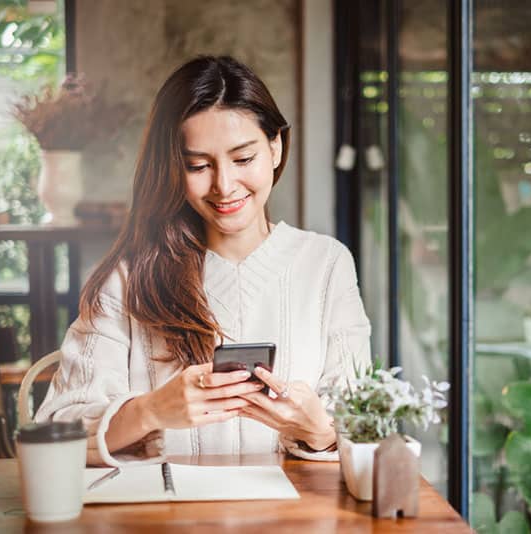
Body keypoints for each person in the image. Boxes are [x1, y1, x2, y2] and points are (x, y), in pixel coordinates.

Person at [35, 56, 372, 466]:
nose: (224, 186)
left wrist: (319, 431)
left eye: (243, 159)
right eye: (197, 165)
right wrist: (150, 411)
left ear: (275, 147)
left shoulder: (326, 265)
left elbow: (367, 427)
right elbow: (53, 431)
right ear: (173, 168)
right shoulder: (129, 277)